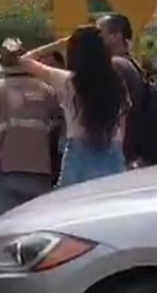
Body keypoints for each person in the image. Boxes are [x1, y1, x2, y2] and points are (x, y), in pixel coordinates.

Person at [19, 26, 127, 186]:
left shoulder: (67, 81)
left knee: (73, 200)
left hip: (79, 153)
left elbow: (24, 60)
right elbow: (123, 121)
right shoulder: (116, 83)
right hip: (112, 152)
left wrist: (60, 43)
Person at [0, 40, 63, 217]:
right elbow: (59, 124)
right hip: (41, 170)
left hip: (7, 169)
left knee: (8, 225)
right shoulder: (46, 91)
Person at [96, 14, 149, 166]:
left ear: (116, 36)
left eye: (99, 34)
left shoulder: (116, 66)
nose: (95, 40)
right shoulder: (133, 64)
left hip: (121, 154)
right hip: (133, 151)